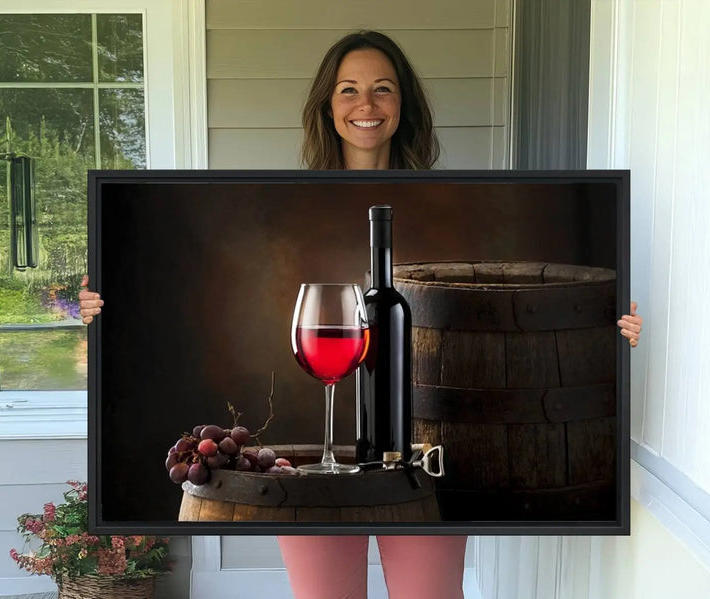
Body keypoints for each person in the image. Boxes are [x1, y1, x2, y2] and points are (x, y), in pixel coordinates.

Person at [79, 30, 643, 599]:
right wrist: (97, 311)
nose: (366, 105)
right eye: (348, 90)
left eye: (383, 89)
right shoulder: (285, 192)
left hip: (423, 465)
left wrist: (618, 330)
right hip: (315, 480)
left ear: (404, 105)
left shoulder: (461, 191)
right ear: (328, 106)